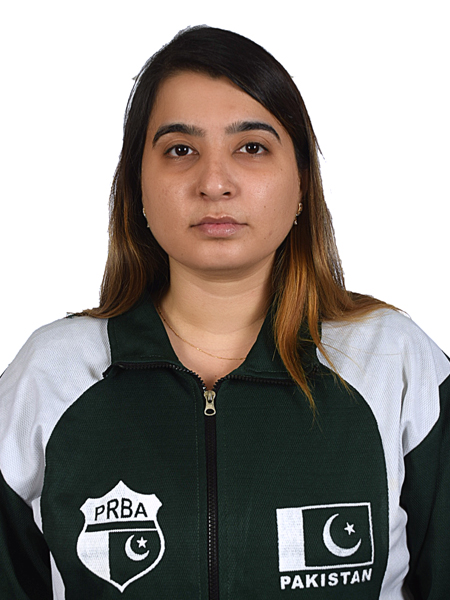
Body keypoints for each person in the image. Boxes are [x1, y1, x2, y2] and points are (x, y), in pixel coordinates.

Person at [0, 25, 448, 600]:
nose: (214, 183)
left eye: (252, 147)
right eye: (180, 150)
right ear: (138, 186)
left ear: (302, 183)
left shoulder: (394, 363)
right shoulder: (49, 376)